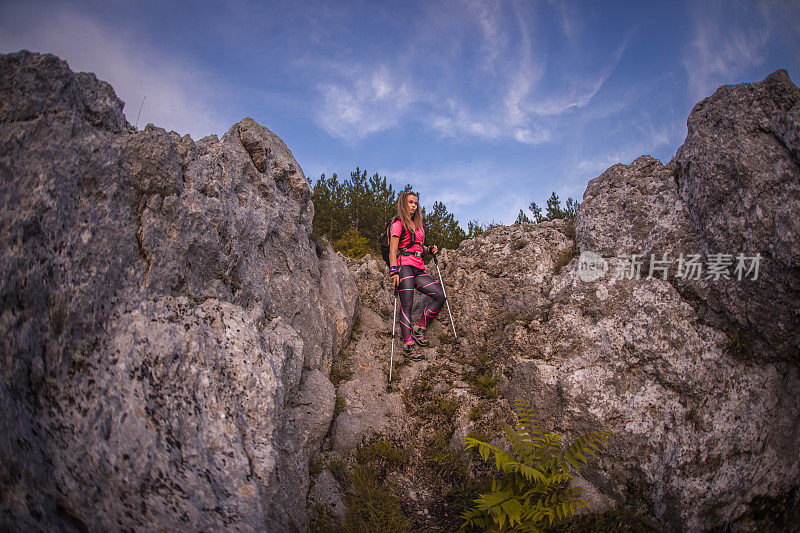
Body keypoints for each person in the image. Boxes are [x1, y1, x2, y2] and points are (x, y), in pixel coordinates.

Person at [388, 190, 446, 361]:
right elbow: (393, 249)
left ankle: (419, 328)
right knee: (407, 305)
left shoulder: (418, 225)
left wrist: (429, 249)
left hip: (418, 268)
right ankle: (408, 344)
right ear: (403, 204)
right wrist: (393, 271)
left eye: (416, 203)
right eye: (410, 202)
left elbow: (417, 245)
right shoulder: (398, 223)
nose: (414, 206)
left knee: (439, 296)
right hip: (404, 266)